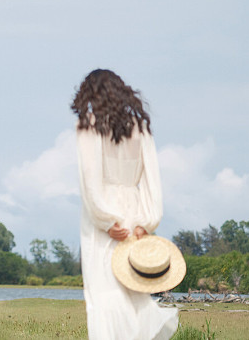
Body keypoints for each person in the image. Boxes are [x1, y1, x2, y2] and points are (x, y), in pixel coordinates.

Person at [72, 68, 179, 340]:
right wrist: (147, 220)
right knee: (133, 291)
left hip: (104, 213)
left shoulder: (89, 125)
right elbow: (152, 178)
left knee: (103, 292)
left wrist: (105, 220)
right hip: (134, 210)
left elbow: (90, 178)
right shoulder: (140, 127)